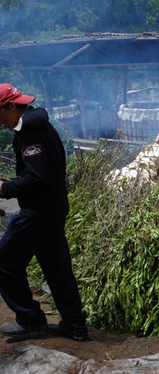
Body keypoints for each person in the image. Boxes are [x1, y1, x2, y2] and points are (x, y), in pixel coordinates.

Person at [0, 83, 88, 341]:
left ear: (11, 107)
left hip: (37, 213)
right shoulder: (40, 125)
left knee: (4, 262)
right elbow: (40, 173)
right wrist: (11, 182)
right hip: (53, 208)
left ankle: (29, 319)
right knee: (56, 268)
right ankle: (75, 325)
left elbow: (38, 178)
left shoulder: (28, 132)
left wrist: (5, 190)